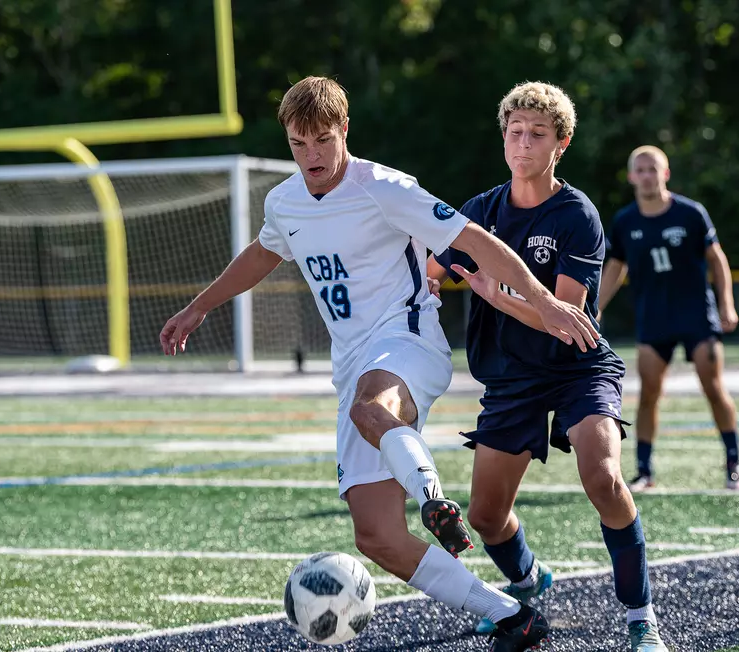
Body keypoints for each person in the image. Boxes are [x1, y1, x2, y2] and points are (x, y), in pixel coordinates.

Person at [160, 76, 600, 651]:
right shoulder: (285, 201)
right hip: (351, 363)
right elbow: (263, 253)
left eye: (322, 140)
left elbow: (475, 240)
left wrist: (543, 299)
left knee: (373, 407)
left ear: (344, 130)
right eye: (298, 144)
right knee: (377, 535)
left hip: (408, 339)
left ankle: (434, 499)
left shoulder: (386, 187)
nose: (311, 155)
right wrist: (198, 308)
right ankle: (512, 614)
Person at [427, 81, 668, 652]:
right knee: (485, 518)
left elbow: (562, 318)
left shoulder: (577, 214)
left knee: (603, 476)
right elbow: (432, 269)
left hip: (578, 368)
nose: (523, 144)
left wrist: (492, 290)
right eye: (514, 133)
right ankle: (528, 579)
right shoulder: (480, 211)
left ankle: (642, 618)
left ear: (561, 143)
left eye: (537, 134)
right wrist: (421, 287)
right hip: (511, 377)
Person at [598, 146, 739, 492]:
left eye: (654, 169)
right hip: (654, 317)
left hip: (696, 315)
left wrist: (726, 304)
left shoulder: (691, 213)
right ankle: (644, 471)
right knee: (649, 393)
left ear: (665, 174)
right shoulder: (625, 221)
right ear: (632, 176)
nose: (647, 175)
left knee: (713, 386)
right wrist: (596, 307)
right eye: (641, 170)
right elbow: (616, 267)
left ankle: (734, 462)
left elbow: (717, 259)